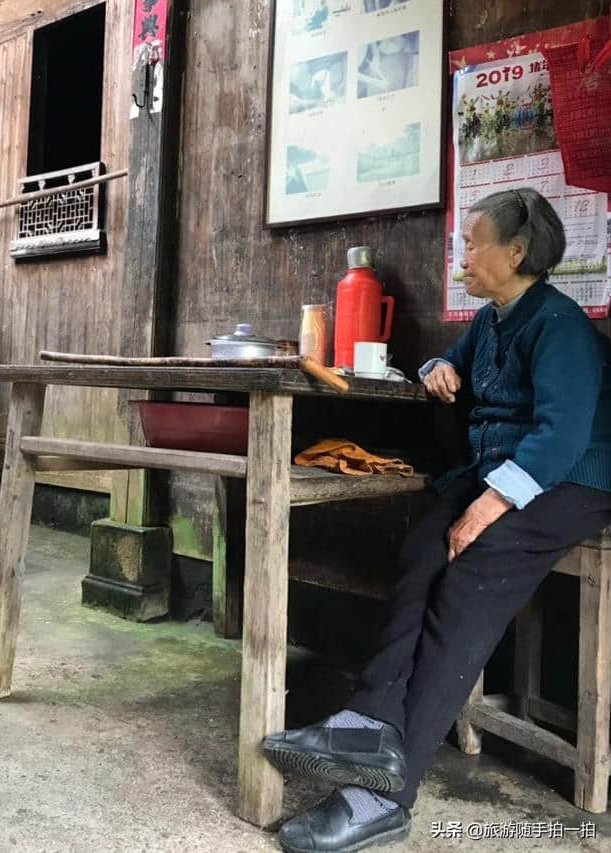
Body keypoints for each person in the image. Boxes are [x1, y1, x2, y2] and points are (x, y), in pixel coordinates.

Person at [261, 188, 611, 853]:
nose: (465, 253)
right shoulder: (494, 317)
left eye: (475, 242)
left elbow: (562, 436)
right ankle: (369, 723)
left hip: (572, 479)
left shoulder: (557, 324)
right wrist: (437, 368)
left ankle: (385, 796)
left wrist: (487, 505)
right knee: (425, 543)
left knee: (467, 577)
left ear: (517, 251)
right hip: (510, 470)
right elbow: (458, 362)